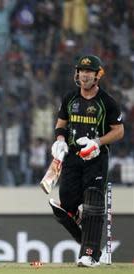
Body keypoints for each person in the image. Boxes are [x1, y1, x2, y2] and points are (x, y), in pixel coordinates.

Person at [48, 55, 124, 267]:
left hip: (95, 159)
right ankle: (85, 228)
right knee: (67, 204)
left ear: (97, 75)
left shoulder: (106, 102)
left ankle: (90, 255)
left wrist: (97, 142)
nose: (84, 75)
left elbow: (119, 131)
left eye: (89, 71)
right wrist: (60, 141)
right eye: (81, 70)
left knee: (93, 202)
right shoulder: (70, 98)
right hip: (72, 158)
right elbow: (61, 124)